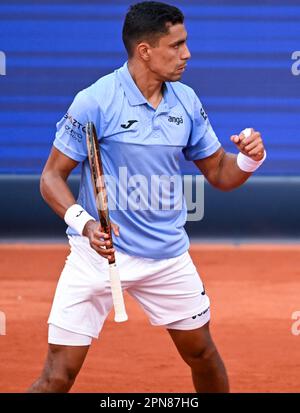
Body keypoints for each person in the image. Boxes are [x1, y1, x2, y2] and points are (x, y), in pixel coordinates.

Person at [28, 1, 266, 393]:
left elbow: (221, 174)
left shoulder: (186, 101)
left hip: (167, 258)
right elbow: (51, 177)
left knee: (203, 354)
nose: (186, 54)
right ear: (145, 51)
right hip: (97, 257)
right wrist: (85, 224)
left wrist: (249, 158)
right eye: (176, 45)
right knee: (56, 377)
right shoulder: (95, 100)